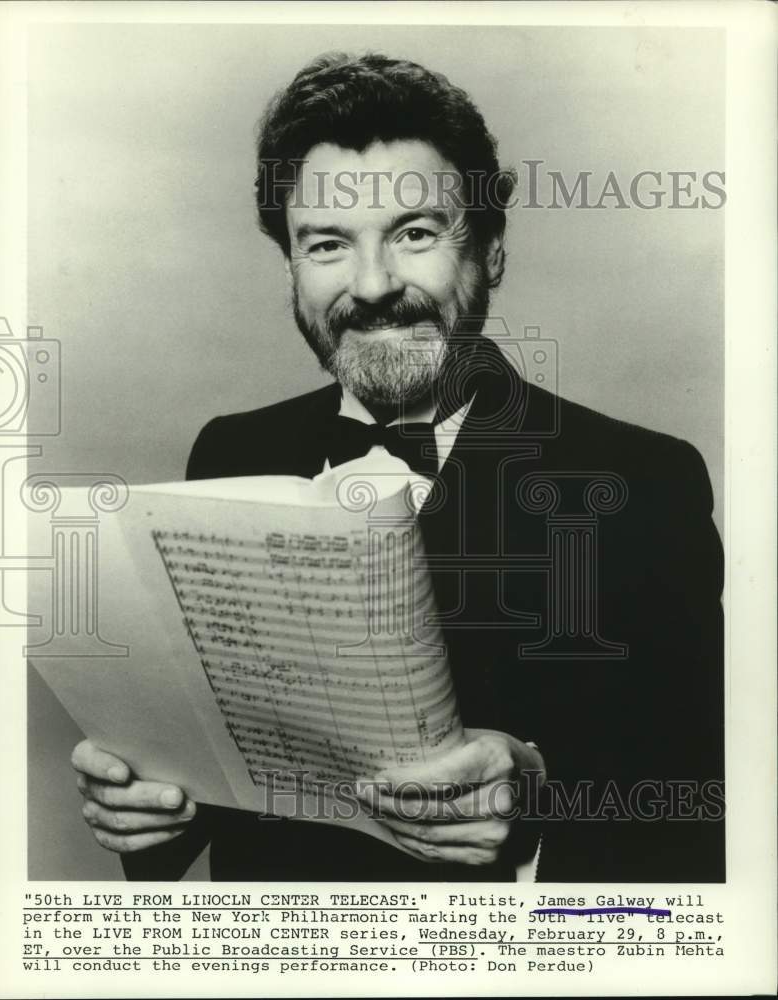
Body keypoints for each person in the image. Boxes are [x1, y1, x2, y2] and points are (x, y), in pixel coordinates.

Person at [71, 52, 724, 882]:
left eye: (414, 234)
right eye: (327, 244)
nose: (373, 285)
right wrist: (154, 813)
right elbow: (226, 766)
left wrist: (535, 804)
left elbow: (698, 817)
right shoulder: (230, 453)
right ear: (290, 268)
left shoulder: (644, 483)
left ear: (489, 251)